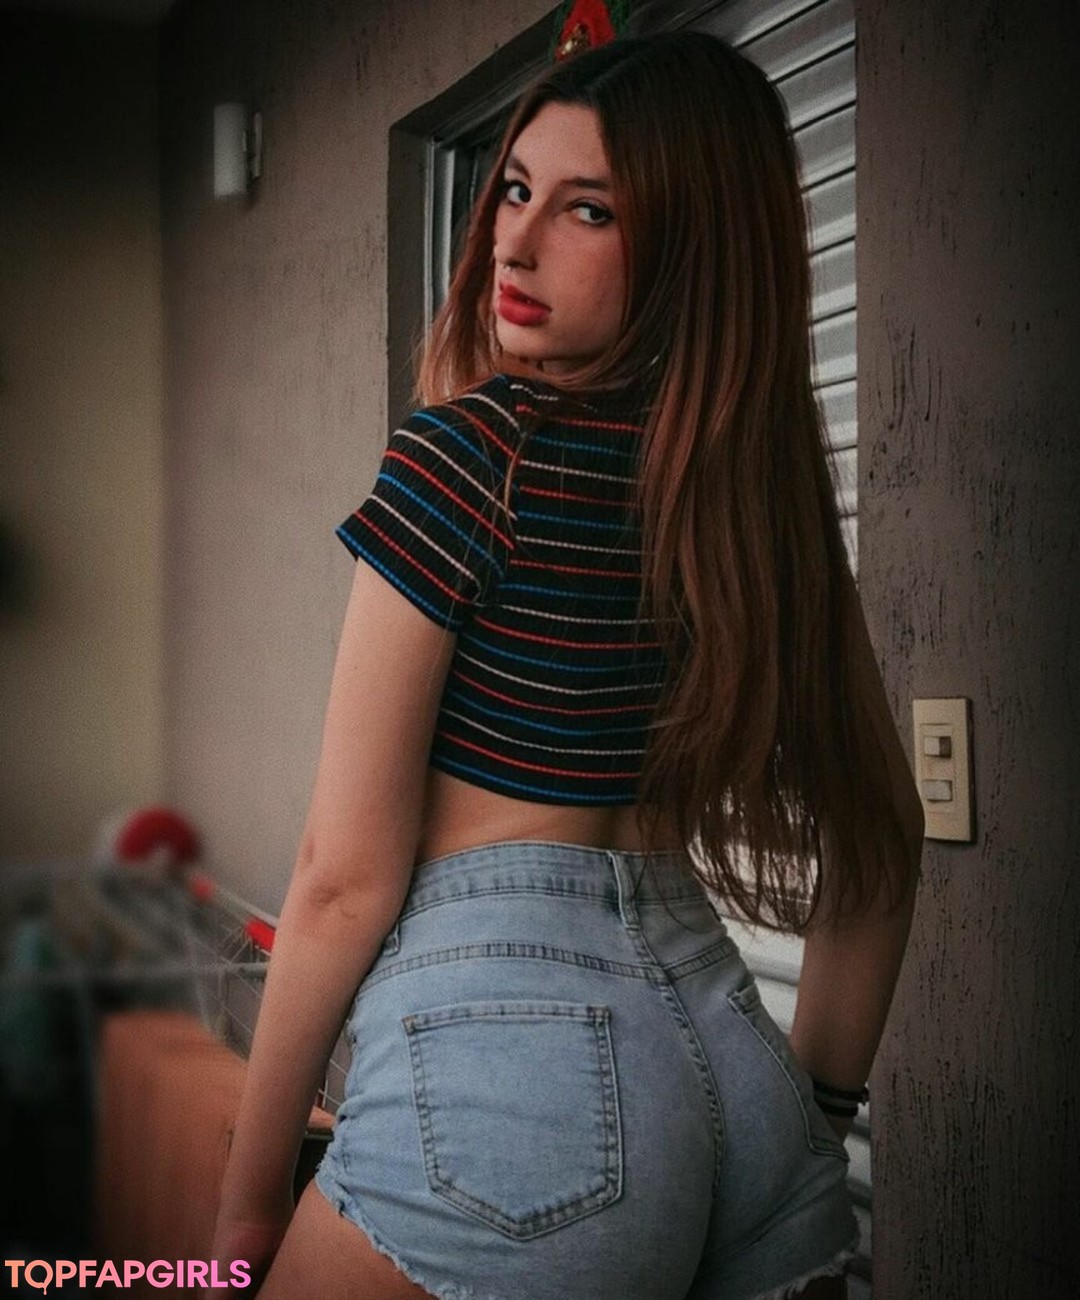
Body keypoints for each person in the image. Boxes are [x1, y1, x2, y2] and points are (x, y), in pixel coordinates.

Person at [207, 31, 923, 1300]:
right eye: (517, 191)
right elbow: (878, 841)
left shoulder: (464, 460)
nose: (515, 244)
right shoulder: (759, 514)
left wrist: (249, 1199)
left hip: (517, 1091)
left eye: (589, 209)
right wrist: (806, 1119)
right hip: (735, 1076)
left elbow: (340, 879)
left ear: (691, 248)